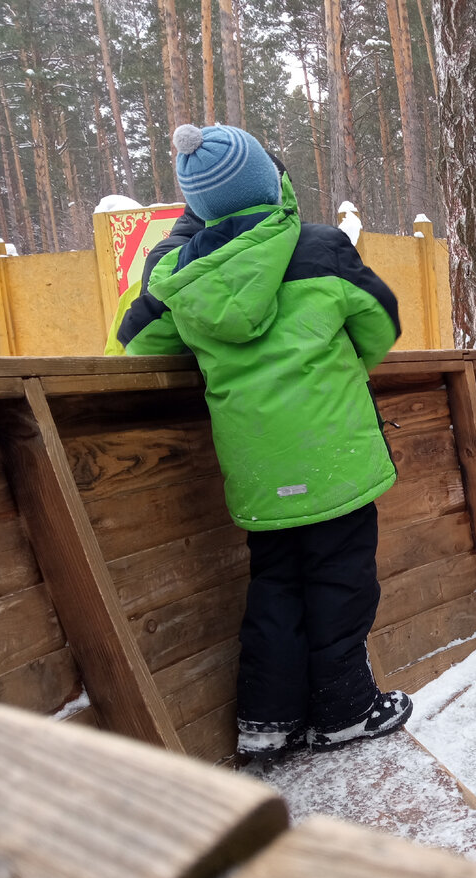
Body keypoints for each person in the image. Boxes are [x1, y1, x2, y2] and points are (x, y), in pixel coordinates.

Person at [120, 123, 410, 763]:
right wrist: (342, 369)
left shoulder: (179, 278)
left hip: (256, 471)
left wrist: (181, 251)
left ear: (197, 207)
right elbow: (382, 324)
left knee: (275, 585)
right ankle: (344, 710)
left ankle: (265, 722)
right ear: (272, 182)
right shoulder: (323, 250)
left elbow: (138, 343)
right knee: (341, 583)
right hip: (335, 459)